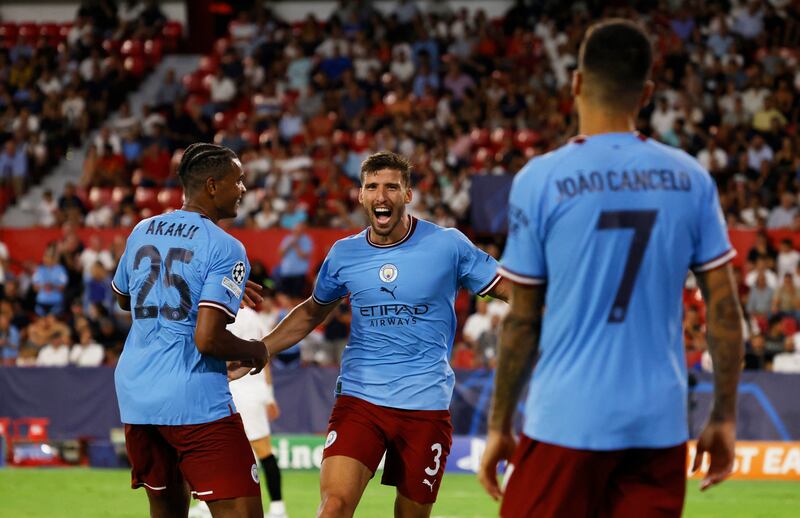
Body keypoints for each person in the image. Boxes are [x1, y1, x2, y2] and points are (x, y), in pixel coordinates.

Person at [477, 19, 745, 518]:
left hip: (564, 420)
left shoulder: (541, 179)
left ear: (576, 82)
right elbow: (725, 311)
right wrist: (724, 417)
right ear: (646, 94)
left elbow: (522, 320)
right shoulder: (691, 179)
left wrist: (499, 426)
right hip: (658, 427)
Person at [235, 151, 509, 518]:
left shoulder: (448, 245)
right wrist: (260, 349)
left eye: (392, 187)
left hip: (425, 404)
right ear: (361, 195)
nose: (381, 196)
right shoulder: (344, 253)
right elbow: (312, 311)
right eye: (372, 187)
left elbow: (508, 288)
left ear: (408, 194)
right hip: (360, 401)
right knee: (333, 507)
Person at [111, 143, 268, 518]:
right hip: (194, 399)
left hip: (138, 397)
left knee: (165, 509)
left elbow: (123, 298)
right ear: (212, 186)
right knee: (243, 511)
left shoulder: (142, 229)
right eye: (238, 181)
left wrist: (194, 285)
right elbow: (208, 338)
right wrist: (255, 350)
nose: (243, 189)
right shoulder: (225, 246)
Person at [191, 306, 288, 518]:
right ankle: (277, 507)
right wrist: (268, 395)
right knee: (243, 450)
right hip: (251, 388)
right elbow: (265, 355)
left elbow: (219, 348)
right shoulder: (256, 318)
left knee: (256, 449)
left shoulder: (227, 315)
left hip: (237, 385)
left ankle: (278, 507)